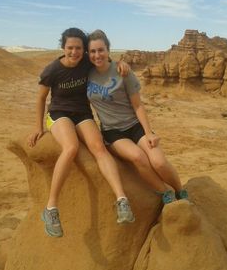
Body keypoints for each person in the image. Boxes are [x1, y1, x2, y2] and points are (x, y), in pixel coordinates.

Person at [27, 27, 135, 238]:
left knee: (99, 148)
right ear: (63, 47)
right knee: (71, 147)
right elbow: (41, 98)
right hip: (59, 115)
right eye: (70, 47)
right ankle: (51, 208)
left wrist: (122, 64)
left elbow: (105, 61)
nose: (74, 52)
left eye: (78, 48)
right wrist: (38, 128)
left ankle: (122, 200)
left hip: (83, 114)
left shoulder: (86, 62)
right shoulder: (53, 70)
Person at [86, 29, 189, 205]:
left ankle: (180, 190)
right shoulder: (86, 73)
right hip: (113, 132)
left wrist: (148, 133)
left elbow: (138, 105)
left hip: (135, 125)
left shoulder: (122, 72)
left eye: (101, 50)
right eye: (93, 51)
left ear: (108, 50)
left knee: (159, 163)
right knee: (137, 158)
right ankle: (166, 192)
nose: (97, 55)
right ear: (88, 53)